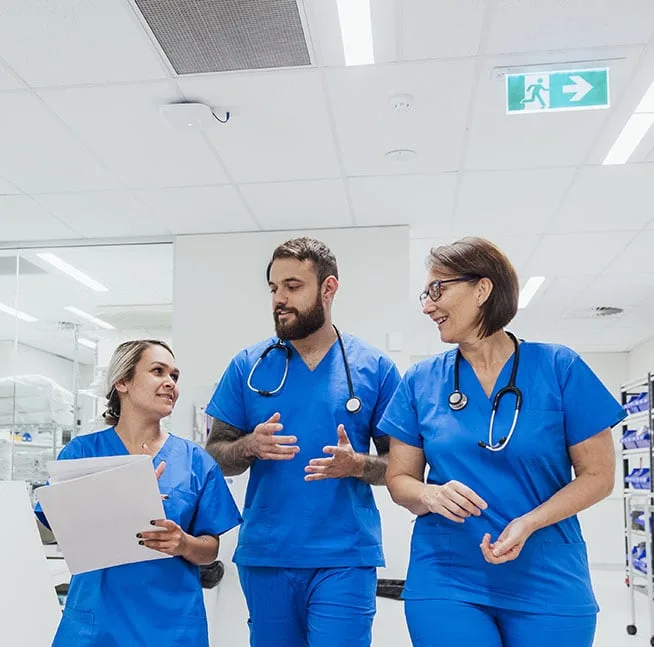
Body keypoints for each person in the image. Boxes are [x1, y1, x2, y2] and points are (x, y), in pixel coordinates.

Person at [379, 237, 626, 647]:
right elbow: (399, 479)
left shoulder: (559, 368)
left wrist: (530, 522)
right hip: (447, 573)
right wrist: (430, 495)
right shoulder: (420, 382)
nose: (427, 306)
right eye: (426, 293)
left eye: (438, 290)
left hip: (547, 571)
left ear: (482, 288)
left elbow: (598, 476)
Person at [205, 237, 401, 647]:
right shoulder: (249, 365)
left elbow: (400, 467)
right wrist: (248, 447)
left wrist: (358, 465)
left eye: (293, 287)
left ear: (328, 289)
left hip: (344, 555)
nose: (279, 298)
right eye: (274, 288)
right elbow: (216, 455)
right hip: (268, 553)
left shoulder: (375, 367)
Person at [36, 340, 242, 647]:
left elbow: (210, 548)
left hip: (170, 625)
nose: (170, 383)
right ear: (122, 382)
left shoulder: (195, 462)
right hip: (97, 621)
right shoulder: (81, 453)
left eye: (175, 376)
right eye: (158, 371)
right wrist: (108, 499)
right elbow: (48, 528)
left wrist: (183, 542)